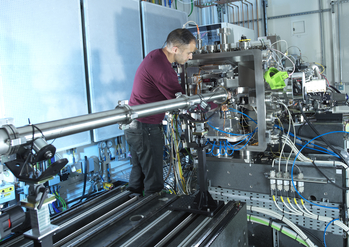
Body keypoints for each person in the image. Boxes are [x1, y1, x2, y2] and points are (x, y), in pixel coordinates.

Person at [125, 28, 196, 196]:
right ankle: (153, 214)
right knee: (154, 179)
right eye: (189, 53)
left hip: (135, 126)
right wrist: (216, 101)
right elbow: (182, 103)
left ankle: (134, 209)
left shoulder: (156, 55)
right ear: (175, 49)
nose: (190, 57)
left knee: (140, 173)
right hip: (146, 128)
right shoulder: (162, 68)